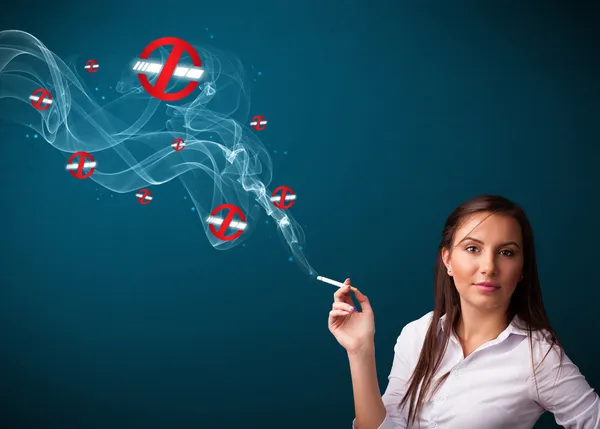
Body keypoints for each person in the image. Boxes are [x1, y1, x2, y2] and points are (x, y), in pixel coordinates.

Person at [328, 194, 600, 429]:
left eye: (506, 252)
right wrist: (360, 350)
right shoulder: (417, 333)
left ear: (521, 269)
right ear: (447, 260)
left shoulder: (538, 356)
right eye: (472, 248)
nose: (489, 266)